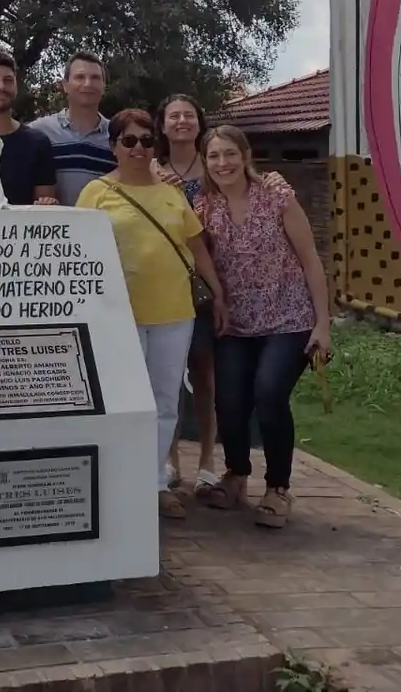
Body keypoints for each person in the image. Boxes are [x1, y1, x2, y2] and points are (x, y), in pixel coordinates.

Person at [76, 109, 225, 520]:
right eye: (129, 141)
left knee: (164, 401)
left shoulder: (171, 194)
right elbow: (79, 252)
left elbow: (196, 248)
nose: (138, 148)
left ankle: (154, 482)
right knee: (123, 401)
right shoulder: (96, 192)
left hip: (174, 311)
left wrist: (218, 295)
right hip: (118, 314)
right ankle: (118, 481)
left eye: (146, 140)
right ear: (114, 146)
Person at [194, 126, 331, 528]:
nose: (223, 163)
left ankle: (278, 487)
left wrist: (323, 324)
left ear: (246, 155)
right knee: (229, 403)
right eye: (214, 156)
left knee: (269, 394)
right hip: (236, 323)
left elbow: (310, 259)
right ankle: (236, 473)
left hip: (289, 318)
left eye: (230, 154)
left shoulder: (276, 196)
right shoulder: (204, 208)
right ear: (205, 162)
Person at [154, 93, 219, 495]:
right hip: (166, 281)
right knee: (168, 375)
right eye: (174, 116)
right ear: (162, 125)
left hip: (209, 279)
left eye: (189, 115)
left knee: (203, 372)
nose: (182, 122)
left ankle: (209, 458)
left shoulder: (214, 165)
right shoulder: (151, 170)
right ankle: (171, 456)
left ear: (199, 122)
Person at [0, 49, 57, 206]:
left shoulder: (38, 143)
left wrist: (47, 204)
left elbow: (45, 206)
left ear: (16, 86)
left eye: (8, 80)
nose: (1, 86)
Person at [29, 51, 115, 206]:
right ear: (65, 85)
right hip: (52, 221)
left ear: (104, 87)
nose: (88, 84)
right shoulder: (37, 132)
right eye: (80, 77)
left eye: (95, 78)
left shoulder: (119, 136)